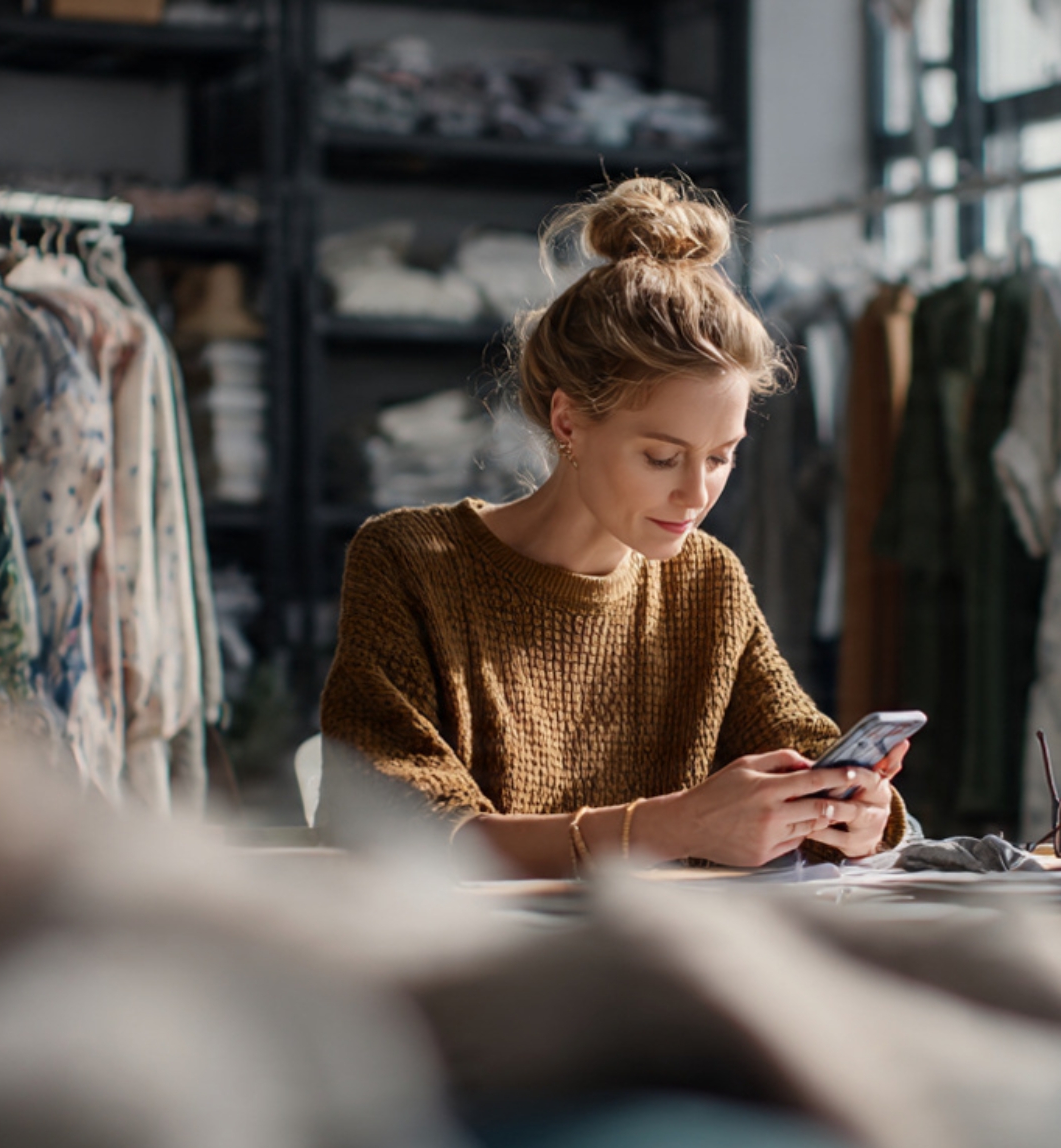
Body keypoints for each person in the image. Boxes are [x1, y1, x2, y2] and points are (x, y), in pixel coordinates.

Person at [317, 177, 908, 877]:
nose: (696, 493)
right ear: (569, 421)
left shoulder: (705, 580)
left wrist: (855, 813)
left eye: (721, 458)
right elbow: (398, 830)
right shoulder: (410, 561)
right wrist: (673, 825)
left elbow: (802, 754)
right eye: (662, 457)